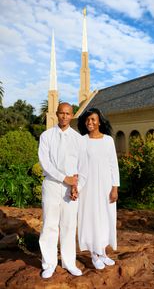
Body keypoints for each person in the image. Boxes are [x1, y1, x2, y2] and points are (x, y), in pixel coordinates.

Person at [38, 102, 87, 278]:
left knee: (68, 225)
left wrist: (76, 186)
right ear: (56, 114)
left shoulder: (78, 139)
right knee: (50, 225)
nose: (64, 116)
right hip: (51, 185)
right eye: (61, 113)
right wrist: (64, 178)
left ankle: (69, 263)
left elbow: (83, 167)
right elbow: (45, 163)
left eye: (68, 113)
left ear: (71, 115)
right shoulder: (46, 136)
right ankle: (49, 264)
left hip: (70, 190)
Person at [77, 107, 120, 270]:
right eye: (87, 120)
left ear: (99, 122)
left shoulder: (108, 140)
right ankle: (94, 255)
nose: (90, 122)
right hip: (88, 187)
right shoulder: (82, 141)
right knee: (90, 218)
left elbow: (113, 165)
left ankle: (102, 252)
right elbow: (78, 165)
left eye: (93, 119)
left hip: (106, 187)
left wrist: (115, 187)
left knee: (105, 218)